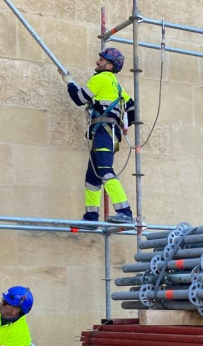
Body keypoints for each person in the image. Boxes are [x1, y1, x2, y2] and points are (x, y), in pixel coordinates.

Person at [66, 47, 137, 226]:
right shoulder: (117, 85)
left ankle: (125, 212)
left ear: (109, 65)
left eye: (101, 60)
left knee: (105, 170)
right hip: (108, 133)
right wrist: (123, 124)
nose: (98, 62)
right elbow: (133, 109)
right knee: (92, 178)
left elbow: (79, 98)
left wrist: (68, 81)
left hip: (103, 133)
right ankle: (90, 218)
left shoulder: (101, 78)